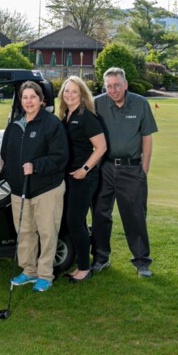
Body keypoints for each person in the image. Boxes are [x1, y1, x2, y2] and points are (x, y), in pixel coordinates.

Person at [0, 81, 68, 292]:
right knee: (25, 232)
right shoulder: (15, 125)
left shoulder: (51, 123)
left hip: (46, 188)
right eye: (25, 97)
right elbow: (5, 155)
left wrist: (36, 166)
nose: (29, 101)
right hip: (20, 190)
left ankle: (45, 274)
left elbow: (60, 157)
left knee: (47, 232)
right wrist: (11, 176)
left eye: (33, 97)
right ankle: (29, 270)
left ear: (41, 100)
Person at [91, 67, 158, 277]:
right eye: (109, 86)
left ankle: (141, 262)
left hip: (132, 168)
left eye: (117, 85)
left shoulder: (140, 104)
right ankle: (101, 258)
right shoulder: (97, 103)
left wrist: (143, 170)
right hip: (105, 168)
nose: (113, 90)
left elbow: (147, 138)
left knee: (135, 216)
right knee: (100, 214)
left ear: (125, 84)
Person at [58, 76, 106, 283]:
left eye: (74, 92)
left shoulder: (87, 116)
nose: (69, 95)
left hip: (83, 177)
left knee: (75, 222)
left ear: (82, 95)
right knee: (72, 222)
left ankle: (85, 268)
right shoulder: (64, 115)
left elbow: (101, 147)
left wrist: (84, 169)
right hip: (68, 176)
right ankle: (81, 262)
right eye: (66, 91)